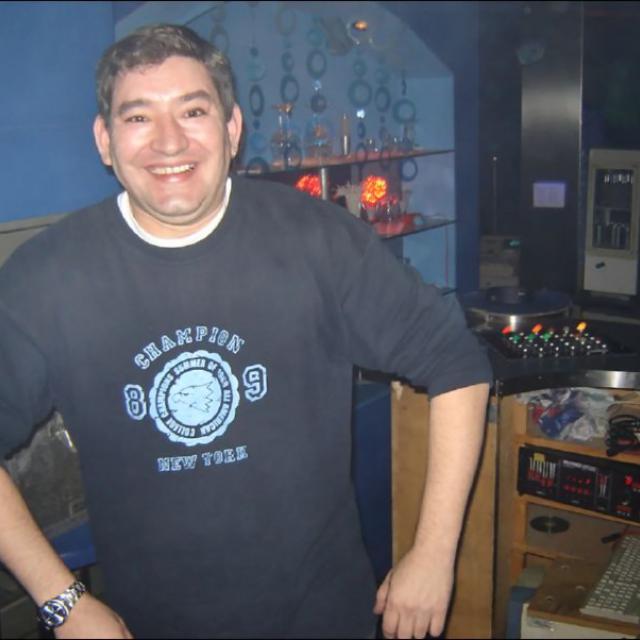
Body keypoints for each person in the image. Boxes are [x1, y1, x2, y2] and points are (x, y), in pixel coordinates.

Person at [0, 24, 491, 640]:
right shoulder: (48, 277)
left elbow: (457, 363)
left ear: (232, 130)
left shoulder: (318, 239)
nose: (169, 141)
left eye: (193, 111)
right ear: (105, 140)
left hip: (322, 619)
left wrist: (434, 555)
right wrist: (63, 603)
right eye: (139, 117)